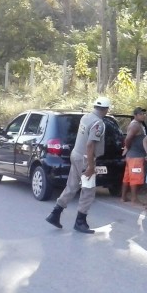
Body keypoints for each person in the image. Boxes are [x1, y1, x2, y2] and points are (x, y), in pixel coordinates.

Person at [46, 96, 111, 234]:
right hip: (86, 159)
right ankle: (80, 222)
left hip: (76, 154)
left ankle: (55, 213)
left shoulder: (86, 117)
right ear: (106, 109)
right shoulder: (98, 123)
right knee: (88, 191)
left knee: (71, 186)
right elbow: (90, 144)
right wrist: (91, 166)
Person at [120, 107, 147, 205]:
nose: (143, 115)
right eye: (141, 114)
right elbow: (127, 139)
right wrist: (127, 146)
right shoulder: (135, 126)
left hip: (131, 156)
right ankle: (134, 198)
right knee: (135, 177)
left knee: (127, 177)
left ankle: (123, 197)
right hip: (136, 156)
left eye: (144, 114)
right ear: (135, 115)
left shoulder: (137, 124)